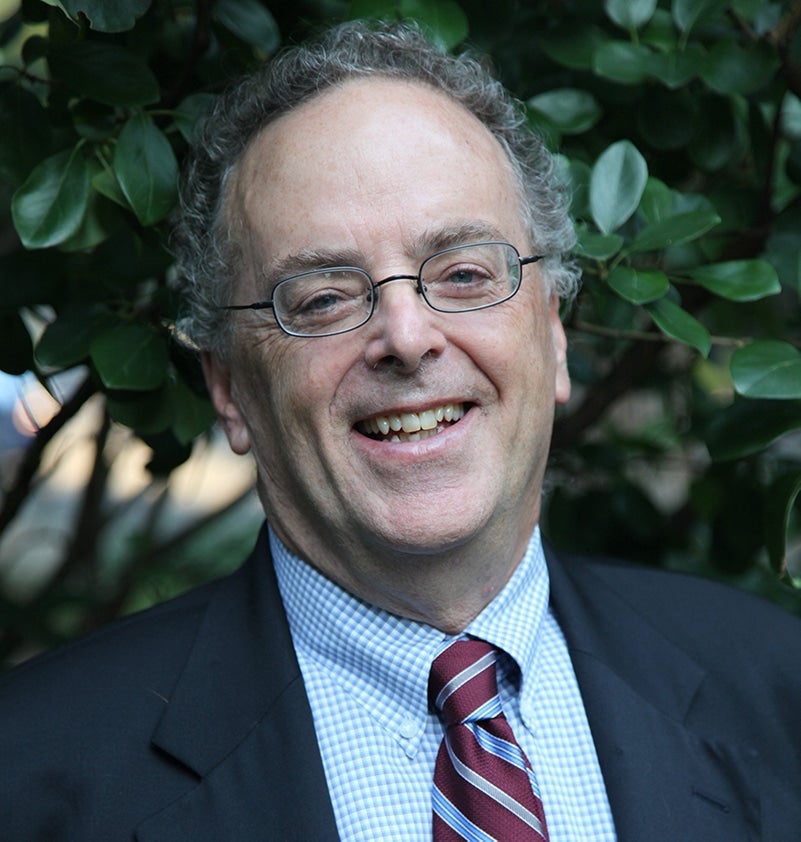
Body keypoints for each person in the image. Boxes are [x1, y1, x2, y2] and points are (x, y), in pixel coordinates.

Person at [2, 19, 800, 842]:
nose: (408, 338)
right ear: (229, 386)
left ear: (552, 335)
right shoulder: (31, 778)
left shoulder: (777, 694)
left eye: (462, 274)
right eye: (321, 298)